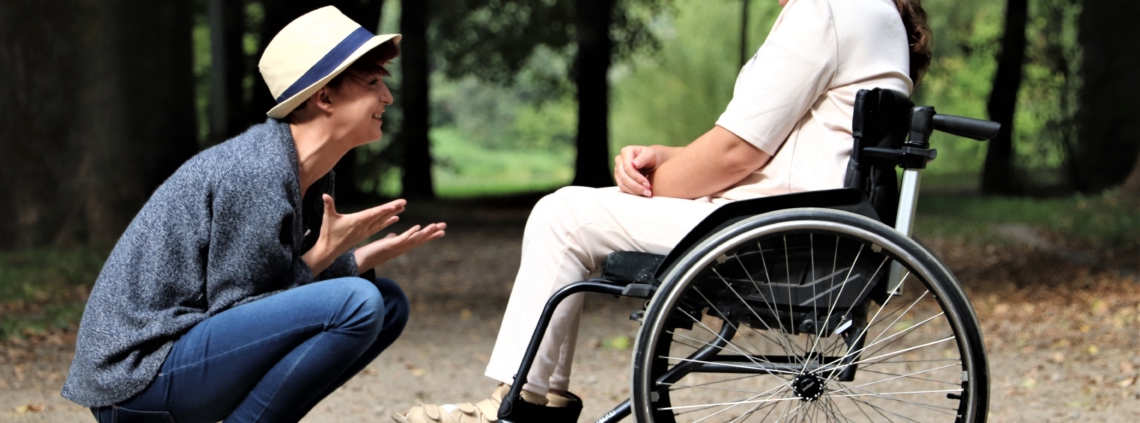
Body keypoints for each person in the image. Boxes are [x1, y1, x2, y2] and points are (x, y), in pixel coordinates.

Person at [393, 0, 931, 421]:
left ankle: (524, 404)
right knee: (575, 211)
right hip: (803, 220)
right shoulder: (874, 13)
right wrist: (664, 160)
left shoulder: (826, 11)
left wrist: (655, 183)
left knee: (563, 214)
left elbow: (737, 153)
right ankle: (531, 397)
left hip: (771, 229)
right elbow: (768, 148)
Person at [62, 7, 446, 423]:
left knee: (387, 303)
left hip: (184, 360)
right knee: (359, 301)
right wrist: (325, 258)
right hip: (139, 379)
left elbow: (269, 296)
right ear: (325, 96)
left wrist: (356, 259)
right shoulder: (257, 170)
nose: (387, 97)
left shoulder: (308, 173)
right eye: (372, 83)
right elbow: (238, 310)